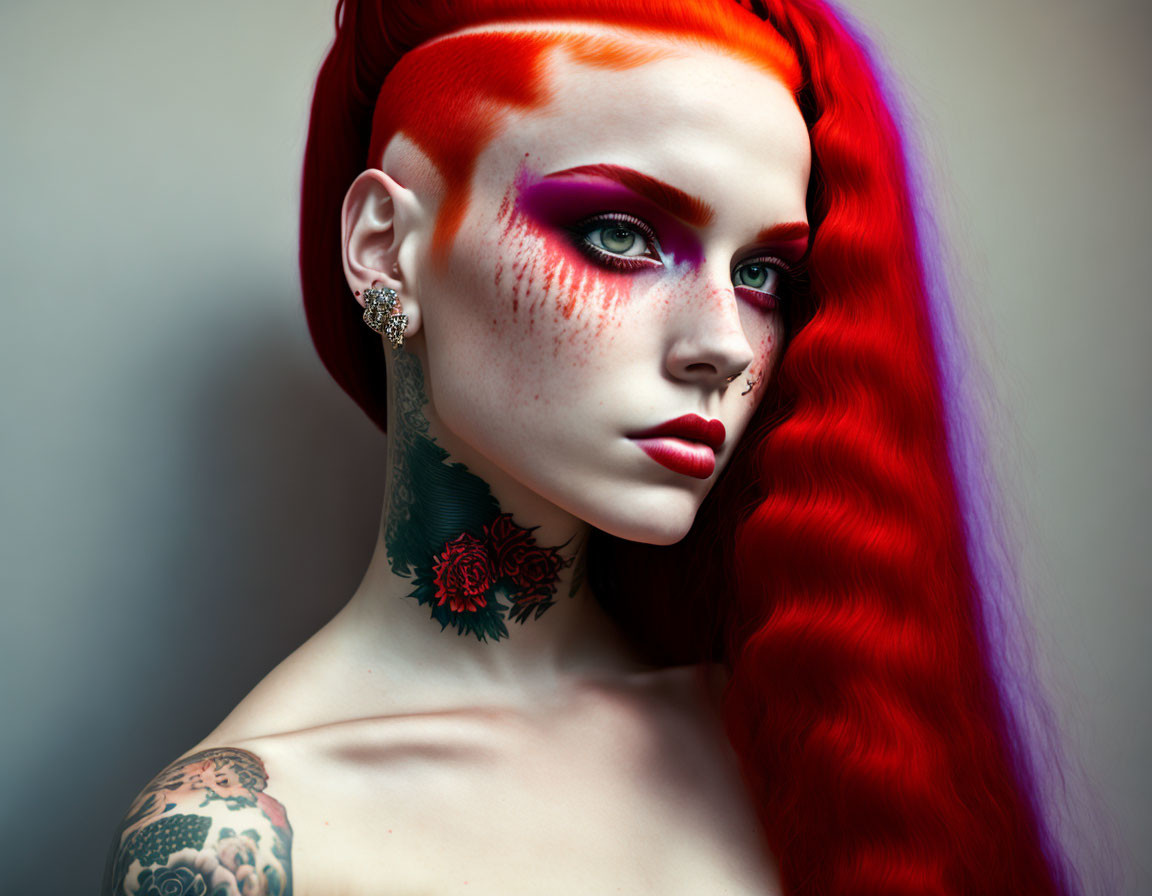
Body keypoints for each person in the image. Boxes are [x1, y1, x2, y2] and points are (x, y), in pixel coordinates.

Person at [101, 1, 1084, 893]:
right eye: (621, 236)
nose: (722, 345)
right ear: (383, 247)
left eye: (764, 273)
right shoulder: (232, 842)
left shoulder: (808, 726)